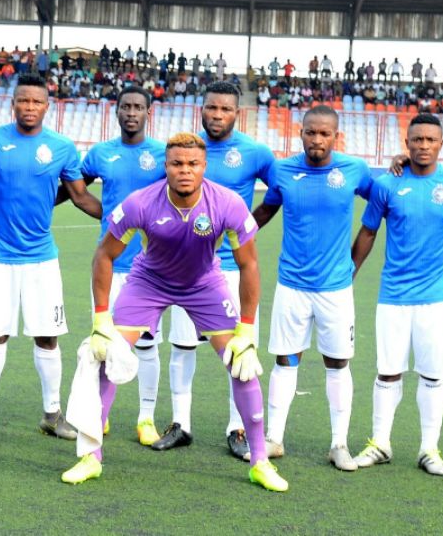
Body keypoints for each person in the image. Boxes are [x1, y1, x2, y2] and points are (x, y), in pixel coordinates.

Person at [60, 132, 288, 492]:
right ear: (165, 166)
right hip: (149, 282)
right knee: (106, 357)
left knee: (242, 363)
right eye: (177, 164)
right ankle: (90, 457)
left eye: (193, 164)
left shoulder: (227, 203)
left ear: (204, 167)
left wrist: (246, 329)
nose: (185, 170)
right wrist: (101, 318)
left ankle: (259, 461)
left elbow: (250, 265)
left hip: (204, 284)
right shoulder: (141, 203)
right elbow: (104, 255)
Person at [0, 73, 100, 440]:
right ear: (13, 104)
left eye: (36, 102)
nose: (29, 107)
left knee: (47, 336)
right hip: (0, 258)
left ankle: (52, 414)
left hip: (42, 259)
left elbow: (80, 196)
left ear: (47, 106)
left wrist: (119, 218)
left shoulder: (61, 147)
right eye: (23, 101)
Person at [351, 113, 443, 476]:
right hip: (393, 295)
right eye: (417, 139)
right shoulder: (387, 184)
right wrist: (348, 275)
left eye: (430, 140)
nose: (423, 145)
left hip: (437, 297)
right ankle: (380, 443)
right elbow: (368, 232)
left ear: (441, 144)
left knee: (432, 375)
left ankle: (429, 449)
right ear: (407, 142)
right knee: (387, 372)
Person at [250, 105, 373, 471]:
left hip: (335, 289)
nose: (317, 139)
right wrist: (228, 237)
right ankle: (274, 439)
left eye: (324, 133)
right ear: (300, 133)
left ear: (336, 136)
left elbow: (383, 201)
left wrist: (352, 266)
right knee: (286, 360)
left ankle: (339, 444)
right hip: (292, 285)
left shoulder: (355, 170)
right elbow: (265, 211)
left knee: (337, 362)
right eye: (310, 132)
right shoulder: (283, 171)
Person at [159, 81, 275, 461]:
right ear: (202, 109)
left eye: (225, 109)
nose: (217, 115)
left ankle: (237, 428)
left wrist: (247, 229)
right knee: (182, 346)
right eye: (211, 107)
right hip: (187, 268)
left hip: (231, 270)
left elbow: (278, 191)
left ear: (237, 113)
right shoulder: (188, 150)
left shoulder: (255, 152)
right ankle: (181, 423)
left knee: (237, 352)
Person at [74, 85, 167, 445]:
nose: (131, 112)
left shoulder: (161, 154)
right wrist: (111, 217)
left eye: (138, 107)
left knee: (146, 345)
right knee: (102, 342)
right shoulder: (100, 153)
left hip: (148, 268)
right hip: (109, 264)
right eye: (125, 106)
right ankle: (100, 413)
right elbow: (77, 190)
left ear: (148, 113)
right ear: (117, 111)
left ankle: (146, 418)